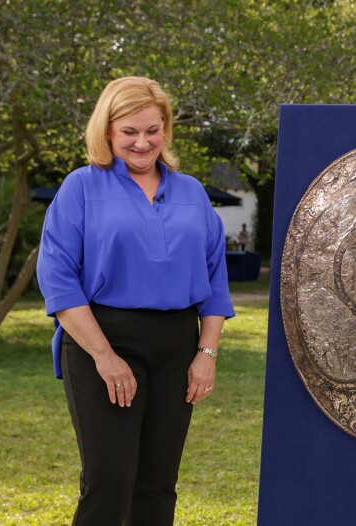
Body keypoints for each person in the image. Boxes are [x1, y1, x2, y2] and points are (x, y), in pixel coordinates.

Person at [37, 76, 235, 525]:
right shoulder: (81, 188)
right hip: (101, 341)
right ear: (107, 131)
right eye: (129, 132)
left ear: (165, 128)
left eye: (152, 129)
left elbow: (215, 282)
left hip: (177, 347)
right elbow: (59, 282)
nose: (142, 142)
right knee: (109, 480)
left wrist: (206, 354)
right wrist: (105, 357)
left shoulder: (192, 193)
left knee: (157, 483)